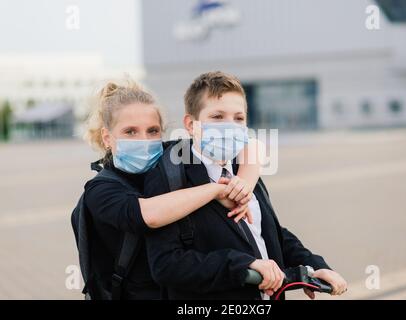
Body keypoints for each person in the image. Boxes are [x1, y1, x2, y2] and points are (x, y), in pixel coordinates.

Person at [146, 71, 348, 300]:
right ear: (191, 125)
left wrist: (313, 266)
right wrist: (244, 265)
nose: (230, 126)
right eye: (217, 117)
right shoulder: (169, 179)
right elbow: (166, 265)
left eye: (238, 118)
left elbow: (269, 232)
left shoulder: (246, 171)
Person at [79, 80, 262, 299]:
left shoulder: (169, 156)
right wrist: (216, 191)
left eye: (153, 131)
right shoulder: (100, 189)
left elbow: (252, 145)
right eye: (130, 132)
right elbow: (149, 214)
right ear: (108, 138)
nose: (144, 140)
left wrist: (243, 184)